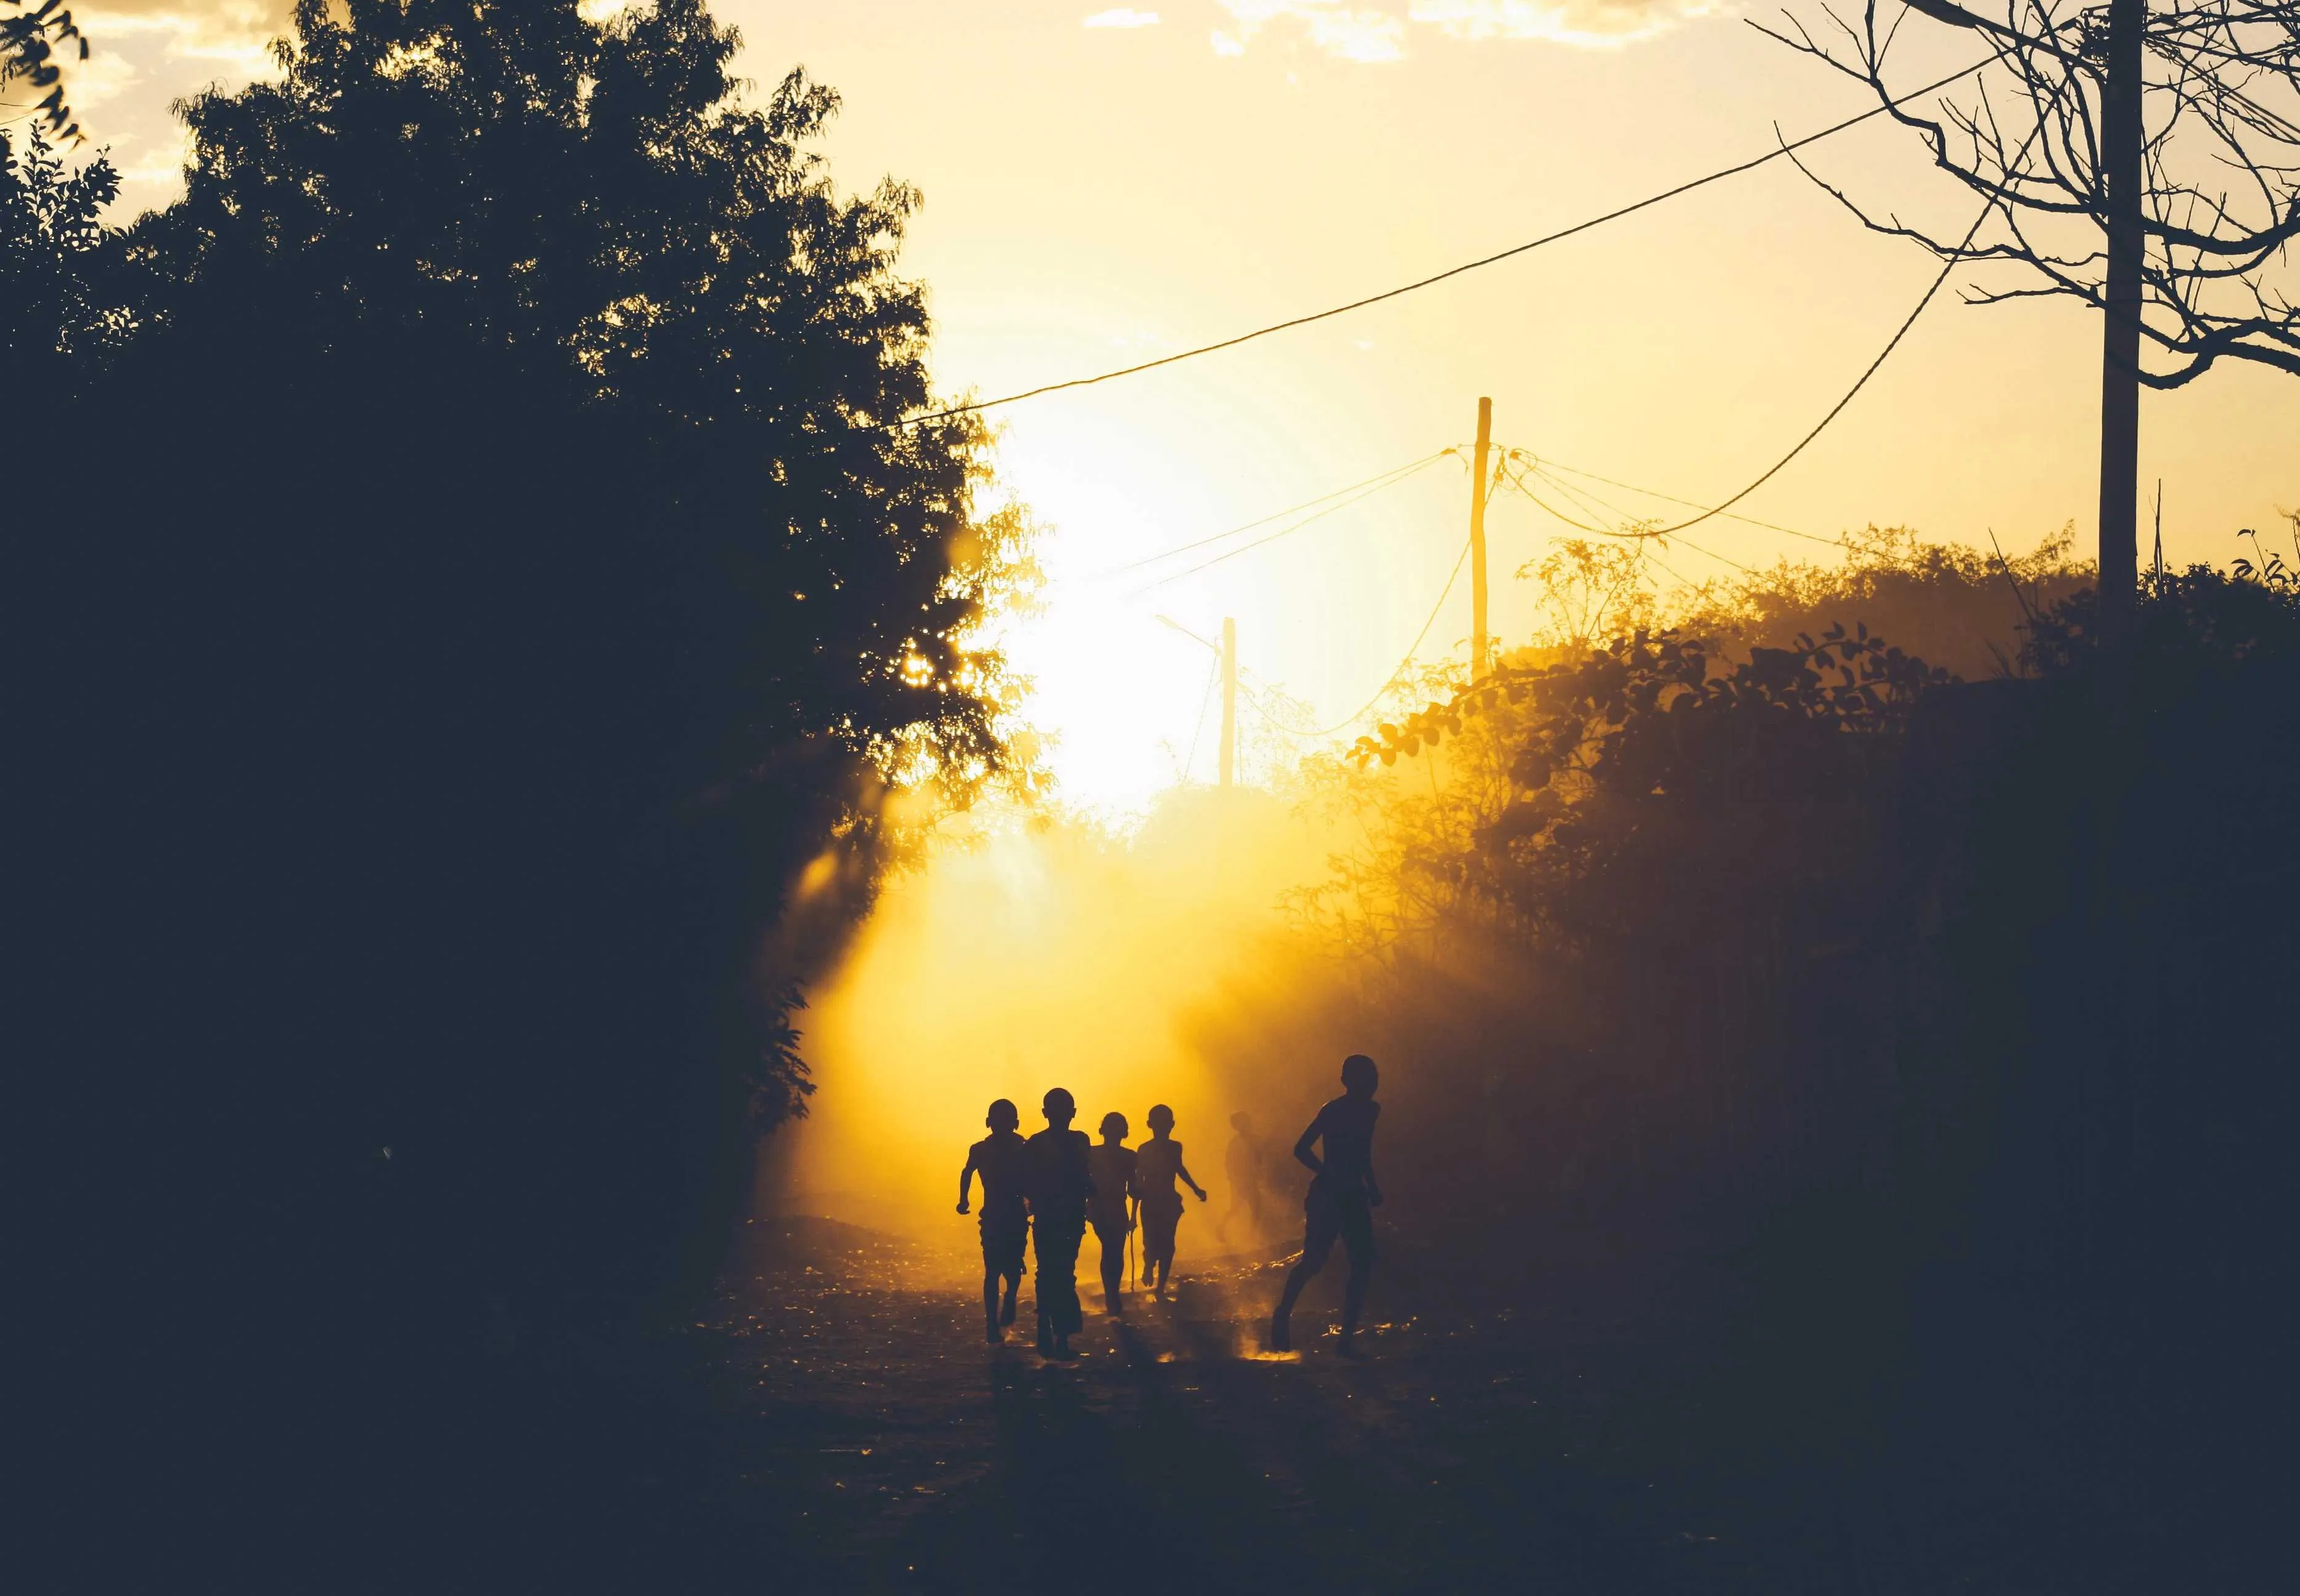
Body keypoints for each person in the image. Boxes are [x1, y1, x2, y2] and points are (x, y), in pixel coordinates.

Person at [1268, 1054, 1382, 1355]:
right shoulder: (1332, 1111)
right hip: (1329, 1195)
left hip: (1352, 1194)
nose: (1370, 1085)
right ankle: (1283, 1313)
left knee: (1362, 1264)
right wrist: (1325, 1171)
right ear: (1346, 1081)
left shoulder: (1371, 1110)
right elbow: (1301, 1148)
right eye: (1364, 1078)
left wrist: (1371, 1186)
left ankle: (1346, 1338)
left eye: (1372, 1079)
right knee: (1315, 1261)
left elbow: (1362, 1153)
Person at [1022, 1087, 1094, 1356]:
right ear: (1073, 1113)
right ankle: (1061, 1335)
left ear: (1045, 1113)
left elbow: (1026, 1180)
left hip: (1048, 1216)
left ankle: (1046, 1325)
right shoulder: (1080, 1141)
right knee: (1064, 1272)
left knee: (1047, 1271)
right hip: (1069, 1216)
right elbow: (1083, 1173)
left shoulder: (1035, 1144)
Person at [956, 1098, 1031, 1344]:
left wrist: (964, 1200)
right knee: (1009, 1267)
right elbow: (1034, 1178)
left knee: (994, 1270)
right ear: (1016, 1123)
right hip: (1013, 1216)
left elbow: (967, 1172)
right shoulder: (1023, 1148)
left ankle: (993, 1321)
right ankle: (1007, 1302)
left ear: (988, 1122)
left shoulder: (981, 1150)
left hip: (995, 1216)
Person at [1133, 1103, 1207, 1300]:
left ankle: (1160, 1285)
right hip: (1156, 1201)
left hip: (1162, 1202)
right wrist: (1195, 1189)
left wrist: (1195, 1188)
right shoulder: (1150, 1149)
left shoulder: (1167, 1148)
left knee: (1165, 1243)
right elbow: (1140, 1179)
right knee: (1156, 1242)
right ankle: (1151, 1270)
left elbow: (1178, 1169)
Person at [1085, 1111, 1139, 1316]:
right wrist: (1134, 1216)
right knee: (1114, 1250)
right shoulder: (1129, 1156)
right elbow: (1134, 1190)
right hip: (1113, 1209)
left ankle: (1111, 1294)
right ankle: (1112, 1294)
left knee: (1110, 1250)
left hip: (1102, 1208)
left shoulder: (1092, 1154)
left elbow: (1084, 1182)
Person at [1217, 1110, 1269, 1246]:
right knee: (1249, 1209)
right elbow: (1229, 1163)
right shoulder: (1238, 1143)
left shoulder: (1249, 1140)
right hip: (1242, 1181)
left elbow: (1260, 1157)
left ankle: (1249, 1236)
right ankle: (1251, 1237)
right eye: (1246, 1121)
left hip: (1245, 1180)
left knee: (1248, 1209)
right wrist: (1236, 1179)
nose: (1249, 1123)